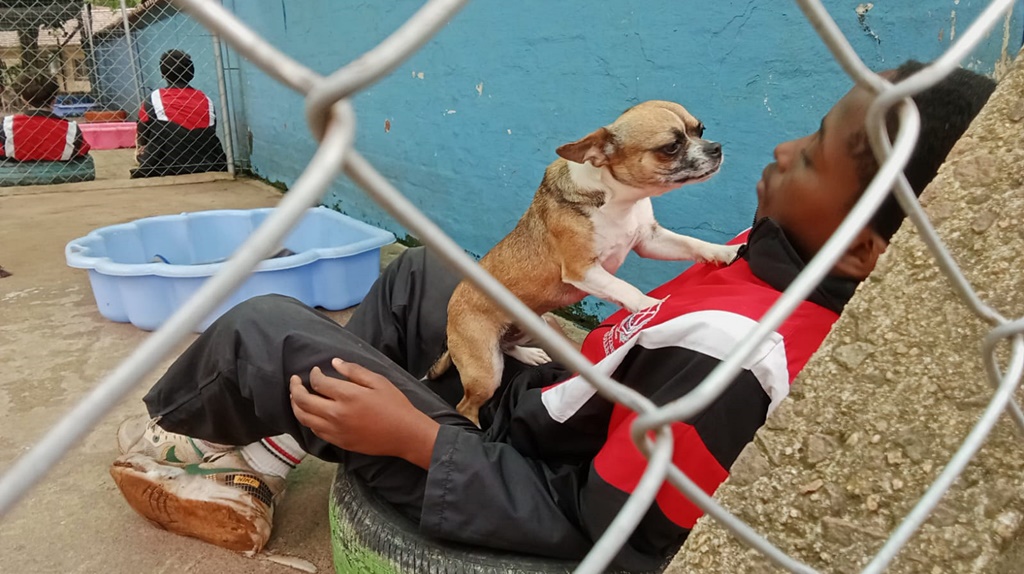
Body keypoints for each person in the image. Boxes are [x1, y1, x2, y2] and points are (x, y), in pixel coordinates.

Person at [110, 61, 995, 571]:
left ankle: (189, 450)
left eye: (813, 155)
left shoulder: (731, 359)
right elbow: (626, 302)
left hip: (517, 468)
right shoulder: (780, 257)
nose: (779, 148)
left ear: (861, 248)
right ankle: (277, 440)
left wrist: (418, 442)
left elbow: (592, 526)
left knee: (269, 321)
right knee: (426, 275)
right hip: (568, 398)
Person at [131, 49, 227, 178]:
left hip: (165, 163)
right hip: (207, 161)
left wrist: (143, 146)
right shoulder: (205, 99)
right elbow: (211, 129)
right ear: (191, 74)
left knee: (150, 130)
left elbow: (142, 130)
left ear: (162, 75)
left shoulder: (154, 98)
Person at [0, 73, 91, 163]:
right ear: (55, 98)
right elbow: (83, 150)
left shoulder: (6, 126)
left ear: (23, 99)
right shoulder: (71, 129)